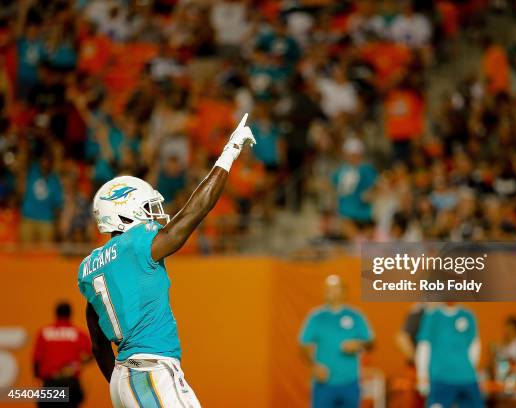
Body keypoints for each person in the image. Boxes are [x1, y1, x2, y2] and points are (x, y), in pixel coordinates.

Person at [77, 114, 256, 407]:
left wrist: (124, 387)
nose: (153, 215)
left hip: (125, 376)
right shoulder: (136, 245)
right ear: (124, 213)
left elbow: (99, 344)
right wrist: (230, 152)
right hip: (149, 370)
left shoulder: (91, 266)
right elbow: (194, 212)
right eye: (147, 208)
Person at [299, 274, 374, 408]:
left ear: (344, 291)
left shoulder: (356, 316)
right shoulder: (317, 317)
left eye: (335, 288)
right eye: (328, 289)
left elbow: (371, 343)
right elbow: (303, 345)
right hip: (324, 384)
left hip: (350, 382)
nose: (331, 292)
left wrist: (359, 344)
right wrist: (314, 366)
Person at [416, 302, 484, 408]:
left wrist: (469, 368)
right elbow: (424, 347)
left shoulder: (468, 315)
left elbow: (474, 347)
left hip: (467, 379)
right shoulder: (432, 316)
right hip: (440, 379)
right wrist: (422, 375)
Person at [33, 302, 92, 408]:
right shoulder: (77, 332)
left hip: (50, 384)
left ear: (56, 313)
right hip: (70, 383)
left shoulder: (44, 332)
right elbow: (93, 352)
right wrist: (79, 364)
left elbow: (36, 360)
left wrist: (39, 379)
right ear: (70, 314)